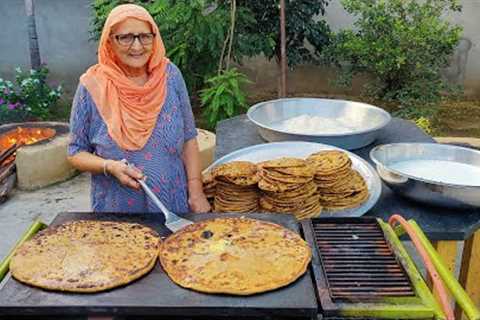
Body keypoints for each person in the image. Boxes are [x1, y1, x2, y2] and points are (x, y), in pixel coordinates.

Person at [67, 4, 211, 214]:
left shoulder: (170, 76)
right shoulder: (92, 86)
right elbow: (75, 153)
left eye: (145, 36)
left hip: (173, 202)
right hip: (117, 210)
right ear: (109, 40)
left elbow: (189, 137)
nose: (137, 47)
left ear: (155, 37)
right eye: (125, 37)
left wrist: (196, 191)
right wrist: (110, 166)